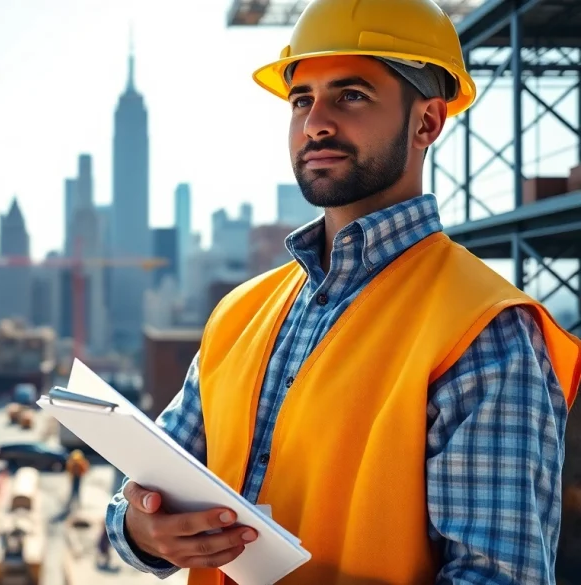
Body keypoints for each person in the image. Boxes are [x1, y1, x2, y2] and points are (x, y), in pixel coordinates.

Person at [104, 1, 581, 584]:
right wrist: (141, 528)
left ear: (426, 122)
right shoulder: (239, 314)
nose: (315, 123)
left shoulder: (483, 329)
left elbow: (498, 576)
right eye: (302, 99)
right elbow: (150, 493)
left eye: (351, 95)